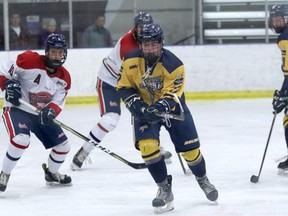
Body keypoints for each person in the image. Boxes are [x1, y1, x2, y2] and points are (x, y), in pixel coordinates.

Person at [117, 24, 218, 213]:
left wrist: (156, 108)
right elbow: (124, 86)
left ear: (161, 43)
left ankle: (203, 179)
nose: (150, 48)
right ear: (140, 44)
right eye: (146, 45)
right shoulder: (130, 60)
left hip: (173, 109)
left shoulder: (174, 64)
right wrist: (136, 104)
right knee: (147, 147)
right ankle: (164, 188)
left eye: (154, 44)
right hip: (144, 110)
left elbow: (172, 94)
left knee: (190, 152)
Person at [71, 12, 172, 170]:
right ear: (135, 27)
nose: (143, 30)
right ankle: (83, 152)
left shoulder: (150, 41)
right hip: (110, 82)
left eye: (146, 27)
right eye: (140, 27)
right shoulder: (128, 46)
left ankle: (154, 147)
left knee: (148, 111)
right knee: (110, 119)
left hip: (131, 81)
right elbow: (131, 76)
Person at [0, 34, 72, 192]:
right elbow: (5, 69)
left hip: (38, 114)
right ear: (46, 52)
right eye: (53, 52)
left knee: (63, 146)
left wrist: (50, 111)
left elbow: (59, 101)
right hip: (17, 108)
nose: (57, 56)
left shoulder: (64, 78)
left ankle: (52, 174)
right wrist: (8, 83)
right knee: (21, 139)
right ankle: (4, 174)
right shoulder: (30, 61)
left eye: (60, 52)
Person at [269, 4, 288, 175]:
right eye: (274, 19)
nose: (276, 23)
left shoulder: (285, 38)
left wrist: (283, 95)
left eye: (279, 19)